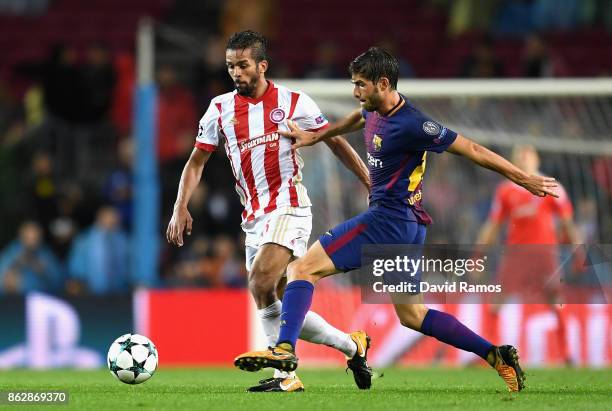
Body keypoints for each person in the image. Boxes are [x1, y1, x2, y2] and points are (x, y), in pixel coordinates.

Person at [234, 47, 559, 392]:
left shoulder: (415, 124)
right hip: (406, 227)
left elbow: (474, 150)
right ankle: (496, 354)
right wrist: (317, 136)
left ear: (383, 83)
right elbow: (357, 118)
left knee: (301, 270)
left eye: (360, 85)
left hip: (388, 220)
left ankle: (284, 349)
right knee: (412, 316)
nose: (356, 92)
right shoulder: (374, 108)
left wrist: (524, 178)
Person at [166, 30, 372, 392]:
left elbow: (336, 142)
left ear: (262, 65)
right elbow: (196, 161)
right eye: (231, 66)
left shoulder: (295, 102)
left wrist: (370, 181)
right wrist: (180, 205)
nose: (236, 73)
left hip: (289, 206)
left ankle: (285, 376)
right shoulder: (220, 108)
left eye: (243, 65)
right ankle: (352, 346)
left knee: (259, 281)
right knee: (272, 300)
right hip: (254, 217)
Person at [477, 144, 581, 364]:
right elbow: (493, 224)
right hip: (515, 256)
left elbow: (568, 224)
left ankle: (566, 354)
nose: (524, 159)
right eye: (519, 156)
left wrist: (578, 251)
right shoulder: (505, 190)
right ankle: (490, 354)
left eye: (528, 155)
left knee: (556, 300)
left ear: (537, 160)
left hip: (544, 254)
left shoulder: (552, 186)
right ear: (513, 162)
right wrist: (478, 253)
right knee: (497, 301)